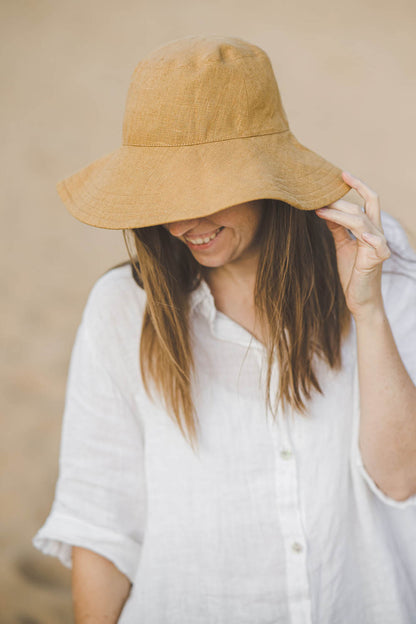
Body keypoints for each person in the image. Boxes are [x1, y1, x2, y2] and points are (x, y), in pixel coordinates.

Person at [33, 35, 416, 624]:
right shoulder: (120, 308)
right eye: (164, 194)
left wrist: (367, 310)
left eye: (210, 190)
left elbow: (401, 479)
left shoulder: (374, 262)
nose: (186, 220)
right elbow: (102, 522)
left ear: (268, 175)